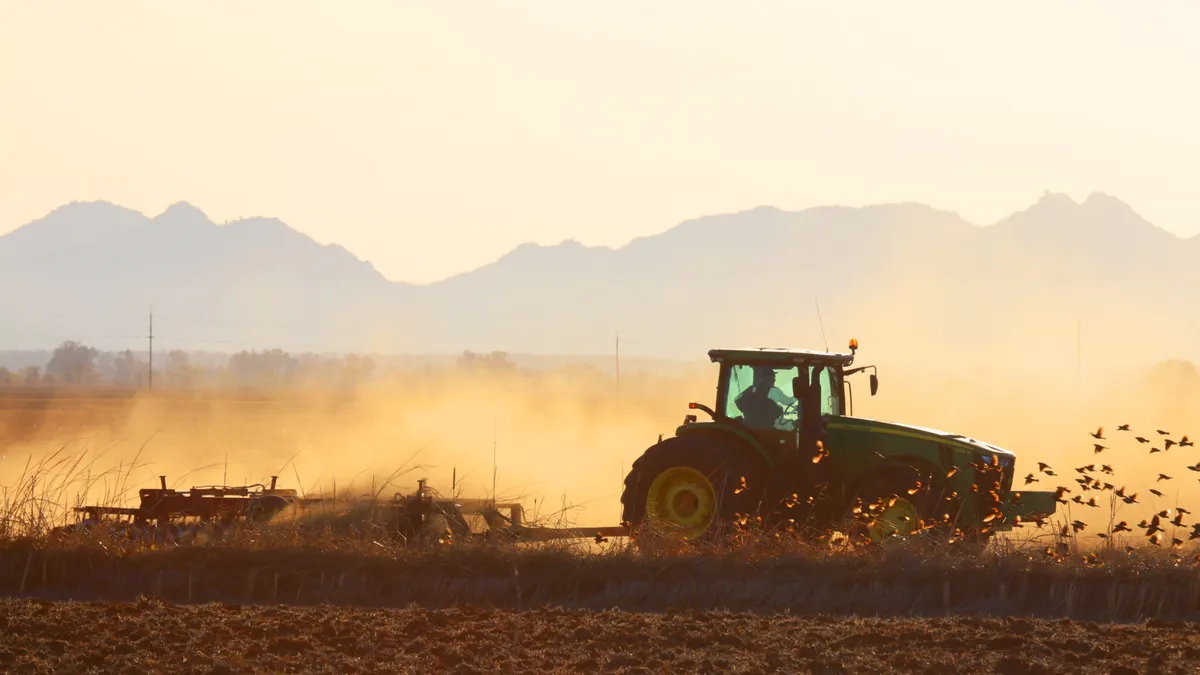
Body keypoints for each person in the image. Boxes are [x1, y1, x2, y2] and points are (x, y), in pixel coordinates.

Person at [735, 367, 799, 430]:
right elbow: (788, 401)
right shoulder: (775, 392)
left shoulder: (751, 389)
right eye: (772, 377)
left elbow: (737, 400)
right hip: (769, 425)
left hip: (750, 426)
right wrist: (798, 396)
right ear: (764, 378)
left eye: (774, 377)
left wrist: (747, 411)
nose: (774, 379)